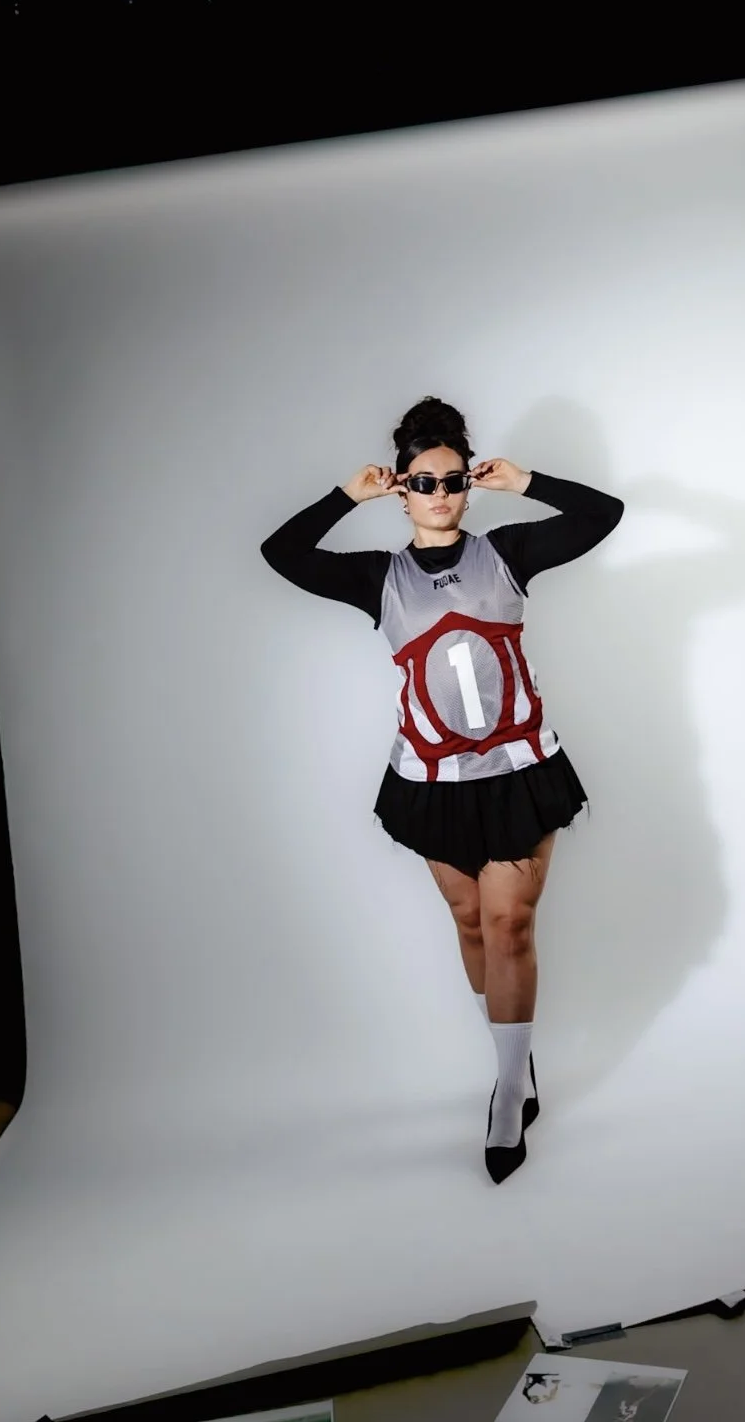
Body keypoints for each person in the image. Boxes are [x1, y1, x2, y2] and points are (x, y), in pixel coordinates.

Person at [261, 396, 623, 1182]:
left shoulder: (508, 553)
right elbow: (280, 552)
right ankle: (514, 1059)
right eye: (422, 482)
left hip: (518, 771)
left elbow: (604, 514)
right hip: (432, 779)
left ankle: (507, 1093)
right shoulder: (377, 578)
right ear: (401, 491)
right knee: (470, 924)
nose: (439, 493)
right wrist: (345, 496)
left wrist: (524, 482)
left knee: (509, 923)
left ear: (467, 484)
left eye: (452, 479)